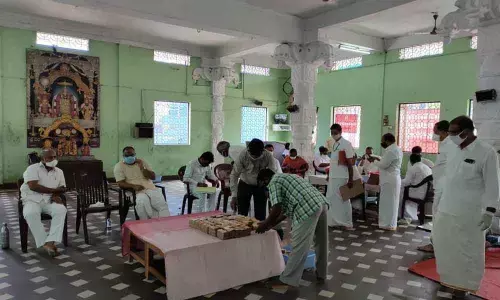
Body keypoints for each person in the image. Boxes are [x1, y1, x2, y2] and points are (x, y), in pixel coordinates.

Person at [433, 116, 499, 297]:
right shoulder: (453, 150)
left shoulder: (486, 152)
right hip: (447, 208)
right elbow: (448, 179)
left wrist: (490, 212)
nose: (451, 136)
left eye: (455, 132)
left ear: (467, 132)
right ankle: (449, 280)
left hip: (470, 213)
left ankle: (463, 287)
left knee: (467, 251)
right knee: (446, 247)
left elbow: (493, 185)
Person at [255, 170, 328, 287]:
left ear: (264, 180)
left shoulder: (273, 182)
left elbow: (276, 208)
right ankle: (321, 273)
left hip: (307, 207)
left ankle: (287, 279)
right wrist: (269, 224)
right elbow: (284, 212)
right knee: (321, 241)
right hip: (321, 203)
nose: (266, 190)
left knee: (299, 246)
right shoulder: (287, 177)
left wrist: (265, 224)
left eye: (264, 187)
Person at [20, 148, 67, 257]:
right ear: (43, 158)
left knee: (61, 209)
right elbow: (33, 186)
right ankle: (44, 242)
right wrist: (53, 191)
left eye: (55, 157)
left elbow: (62, 187)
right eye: (50, 157)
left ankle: (51, 242)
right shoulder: (32, 168)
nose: (53, 159)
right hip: (32, 199)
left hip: (49, 200)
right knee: (30, 213)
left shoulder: (59, 171)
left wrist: (55, 194)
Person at [419, 120, 455, 252]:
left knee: (439, 216)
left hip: (444, 186)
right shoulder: (446, 144)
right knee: (439, 215)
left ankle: (436, 245)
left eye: (435, 132)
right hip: (441, 184)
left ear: (443, 132)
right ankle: (438, 244)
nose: (434, 135)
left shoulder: (450, 144)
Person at [114, 146, 170, 220]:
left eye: (132, 155)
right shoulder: (119, 166)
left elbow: (153, 177)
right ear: (123, 156)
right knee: (143, 202)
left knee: (159, 202)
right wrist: (134, 186)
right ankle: (146, 224)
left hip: (150, 188)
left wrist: (142, 168)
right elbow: (120, 183)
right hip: (135, 192)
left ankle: (165, 222)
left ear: (135, 154)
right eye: (127, 155)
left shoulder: (142, 162)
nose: (130, 157)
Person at [230, 139, 277, 220]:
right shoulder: (242, 155)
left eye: (257, 155)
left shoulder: (268, 156)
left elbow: (272, 174)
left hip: (261, 185)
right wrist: (234, 196)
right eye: (252, 154)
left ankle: (259, 230)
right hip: (245, 183)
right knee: (242, 213)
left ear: (262, 151)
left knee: (260, 213)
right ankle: (242, 231)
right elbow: (234, 175)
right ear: (248, 150)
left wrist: (269, 189)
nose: (254, 157)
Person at [325, 124, 359, 229]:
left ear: (340, 132)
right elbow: (333, 162)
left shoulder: (346, 144)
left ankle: (347, 223)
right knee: (331, 198)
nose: (333, 135)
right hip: (333, 176)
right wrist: (329, 174)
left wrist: (350, 179)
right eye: (332, 133)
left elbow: (350, 163)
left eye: (335, 133)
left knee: (343, 198)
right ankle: (334, 221)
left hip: (342, 176)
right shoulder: (334, 144)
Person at [370, 133, 403, 230]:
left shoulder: (391, 151)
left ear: (387, 141)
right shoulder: (394, 149)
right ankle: (387, 223)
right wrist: (378, 159)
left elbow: (384, 165)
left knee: (389, 203)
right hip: (390, 179)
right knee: (389, 202)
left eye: (382, 140)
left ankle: (388, 224)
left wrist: (373, 161)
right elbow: (387, 162)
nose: (382, 142)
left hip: (389, 179)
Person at [398, 154, 433, 225]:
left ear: (411, 161)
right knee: (404, 189)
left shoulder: (413, 168)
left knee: (400, 191)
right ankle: (411, 215)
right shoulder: (426, 167)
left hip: (417, 192)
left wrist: (398, 182)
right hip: (428, 193)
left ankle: (405, 217)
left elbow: (406, 182)